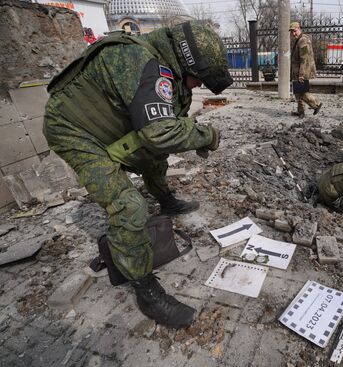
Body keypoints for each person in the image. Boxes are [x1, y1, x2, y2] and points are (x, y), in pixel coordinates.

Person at [43, 21, 233, 329]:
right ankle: (146, 291)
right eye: (198, 79)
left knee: (155, 159)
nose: (198, 86)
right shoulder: (141, 63)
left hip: (106, 125)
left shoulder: (165, 66)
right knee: (130, 207)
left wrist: (182, 136)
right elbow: (161, 132)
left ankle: (167, 201)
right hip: (74, 132)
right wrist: (205, 134)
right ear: (186, 61)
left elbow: (164, 126)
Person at [289, 21, 322, 118]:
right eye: (292, 32)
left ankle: (316, 105)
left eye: (294, 31)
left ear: (299, 29)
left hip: (301, 72)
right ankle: (301, 112)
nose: (293, 33)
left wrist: (301, 74)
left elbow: (304, 58)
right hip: (297, 71)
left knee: (302, 92)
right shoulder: (298, 40)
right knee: (297, 93)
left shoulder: (303, 41)